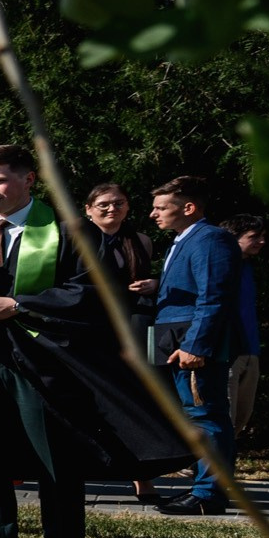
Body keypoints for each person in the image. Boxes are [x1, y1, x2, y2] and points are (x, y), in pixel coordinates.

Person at [0, 143, 186, 538]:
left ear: (28, 179)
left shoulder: (72, 233)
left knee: (56, 454)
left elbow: (94, 292)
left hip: (46, 360)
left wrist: (20, 306)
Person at [151, 177, 244, 515]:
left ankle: (208, 494)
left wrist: (197, 346)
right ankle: (204, 489)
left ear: (188, 208)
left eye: (161, 207)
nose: (153, 214)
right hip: (178, 340)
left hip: (193, 345)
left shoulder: (210, 239)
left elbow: (213, 298)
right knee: (198, 415)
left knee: (206, 415)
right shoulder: (184, 240)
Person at [89, 181, 164, 502]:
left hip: (128, 330)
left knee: (133, 404)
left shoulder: (141, 241)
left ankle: (142, 480)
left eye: (118, 203)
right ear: (88, 209)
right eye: (104, 204)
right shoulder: (70, 239)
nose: (111, 209)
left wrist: (154, 284)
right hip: (85, 329)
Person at [226, 214, 265, 436]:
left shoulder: (248, 266)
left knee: (241, 416)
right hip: (228, 352)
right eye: (254, 237)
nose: (261, 241)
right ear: (234, 238)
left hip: (250, 350)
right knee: (223, 417)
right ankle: (201, 466)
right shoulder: (218, 265)